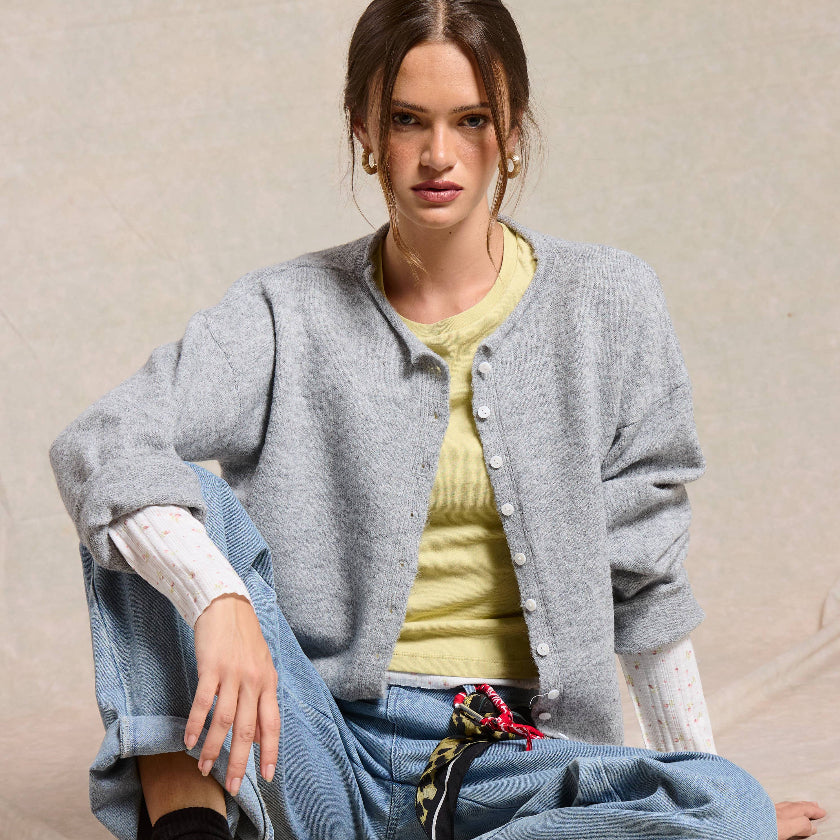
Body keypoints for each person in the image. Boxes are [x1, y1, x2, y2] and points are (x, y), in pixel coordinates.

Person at [50, 1, 826, 838]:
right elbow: (102, 443)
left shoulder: (610, 305)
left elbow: (646, 585)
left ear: (513, 127)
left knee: (728, 800)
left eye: (472, 119)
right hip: (311, 740)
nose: (438, 155)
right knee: (146, 507)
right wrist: (217, 598)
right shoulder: (286, 311)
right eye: (408, 121)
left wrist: (698, 783)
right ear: (365, 131)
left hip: (505, 755)